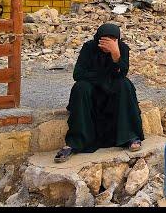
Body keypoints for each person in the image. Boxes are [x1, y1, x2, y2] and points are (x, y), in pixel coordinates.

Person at [54, 23, 144, 163]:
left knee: (125, 84)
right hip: (92, 93)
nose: (108, 42)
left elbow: (122, 73)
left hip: (113, 95)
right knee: (80, 87)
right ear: (98, 38)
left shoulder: (122, 48)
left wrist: (115, 55)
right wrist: (103, 79)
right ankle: (75, 142)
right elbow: (78, 74)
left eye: (112, 39)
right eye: (105, 38)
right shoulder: (89, 48)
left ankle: (130, 136)